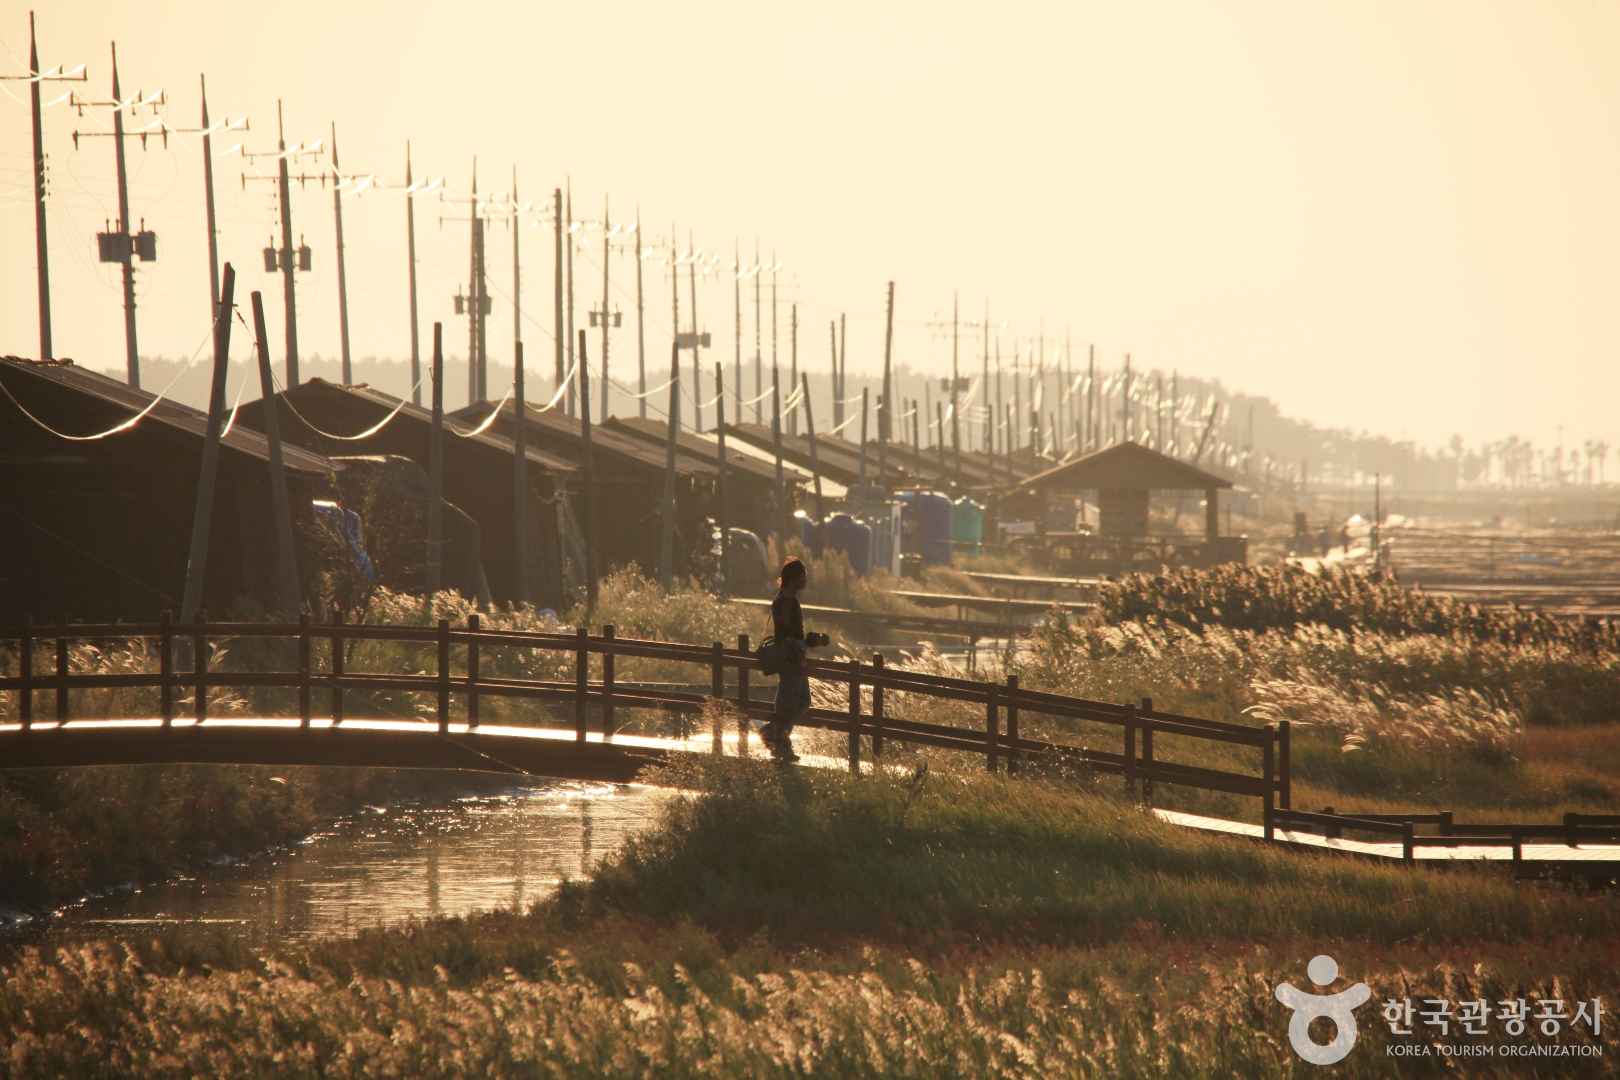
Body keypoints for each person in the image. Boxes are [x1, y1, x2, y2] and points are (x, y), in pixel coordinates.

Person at [762, 556, 820, 763]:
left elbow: (789, 633)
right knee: (795, 702)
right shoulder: (785, 602)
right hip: (790, 659)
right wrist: (805, 643)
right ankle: (775, 735)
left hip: (794, 658)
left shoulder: (785, 600)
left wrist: (808, 642)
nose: (806, 579)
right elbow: (787, 635)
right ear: (794, 578)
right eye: (803, 575)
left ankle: (778, 736)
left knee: (798, 702)